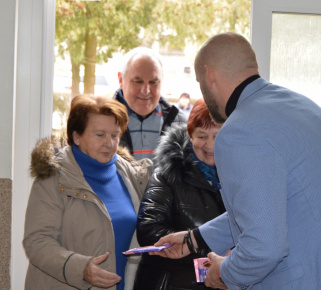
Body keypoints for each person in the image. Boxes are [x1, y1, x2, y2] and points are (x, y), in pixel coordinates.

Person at [151, 32, 321, 289]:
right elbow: (270, 206)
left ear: (209, 76)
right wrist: (194, 239)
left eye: (200, 83)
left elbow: (265, 247)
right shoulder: (302, 107)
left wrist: (225, 273)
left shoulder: (239, 131)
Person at [23, 95, 153, 290]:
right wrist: (80, 269)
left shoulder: (134, 176)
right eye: (100, 135)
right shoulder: (53, 177)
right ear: (77, 136)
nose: (109, 143)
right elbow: (37, 242)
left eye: (115, 135)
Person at [133, 98, 225, 290]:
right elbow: (150, 231)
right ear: (190, 135)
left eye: (217, 136)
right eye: (202, 136)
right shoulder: (169, 174)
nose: (209, 145)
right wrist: (210, 249)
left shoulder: (240, 179)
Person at [113, 47, 188, 161]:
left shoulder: (181, 124)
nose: (146, 91)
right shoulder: (99, 121)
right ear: (121, 80)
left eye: (153, 82)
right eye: (138, 81)